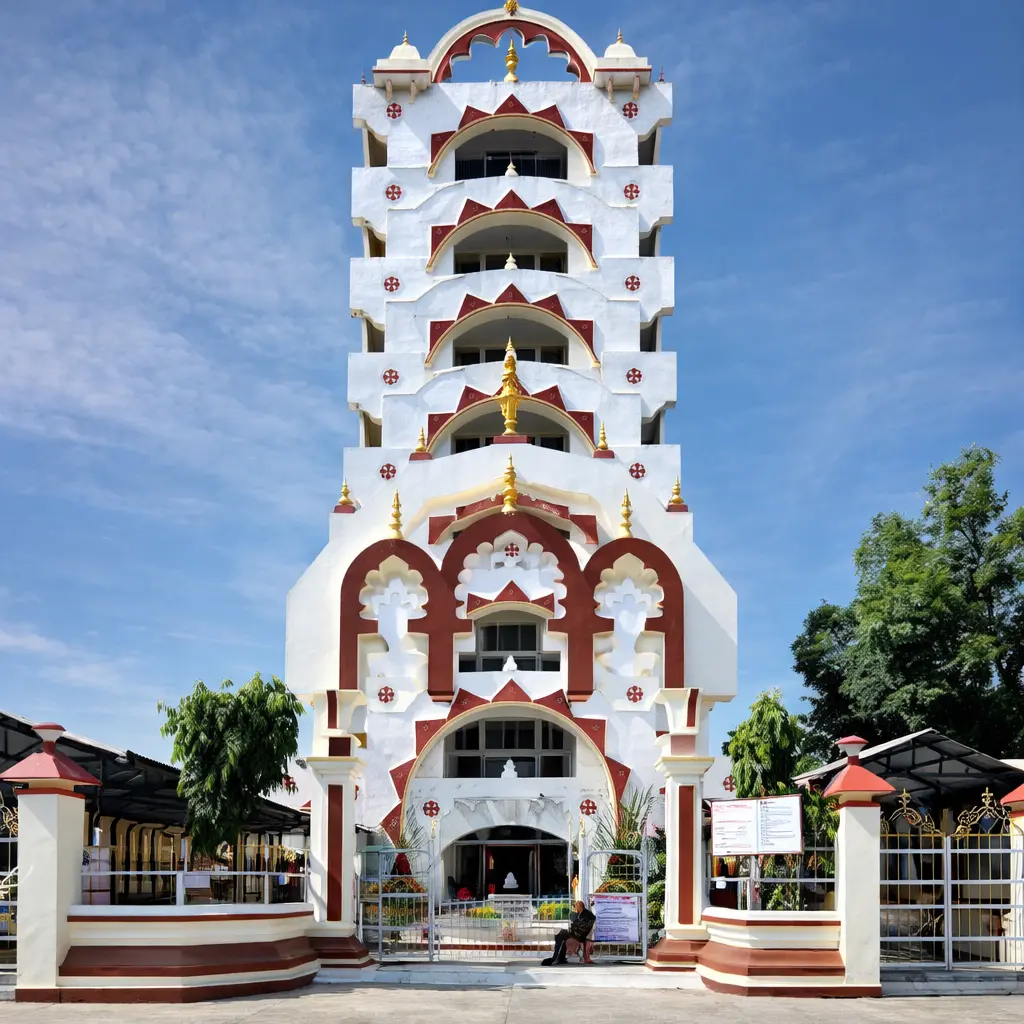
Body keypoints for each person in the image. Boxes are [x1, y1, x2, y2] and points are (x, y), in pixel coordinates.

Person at [541, 900, 595, 966]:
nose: (575, 908)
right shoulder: (584, 913)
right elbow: (578, 924)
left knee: (561, 933)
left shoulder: (585, 914)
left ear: (580, 906)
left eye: (576, 907)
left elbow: (579, 926)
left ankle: (556, 957)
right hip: (579, 933)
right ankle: (560, 957)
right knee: (562, 935)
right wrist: (573, 926)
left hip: (580, 935)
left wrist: (572, 928)